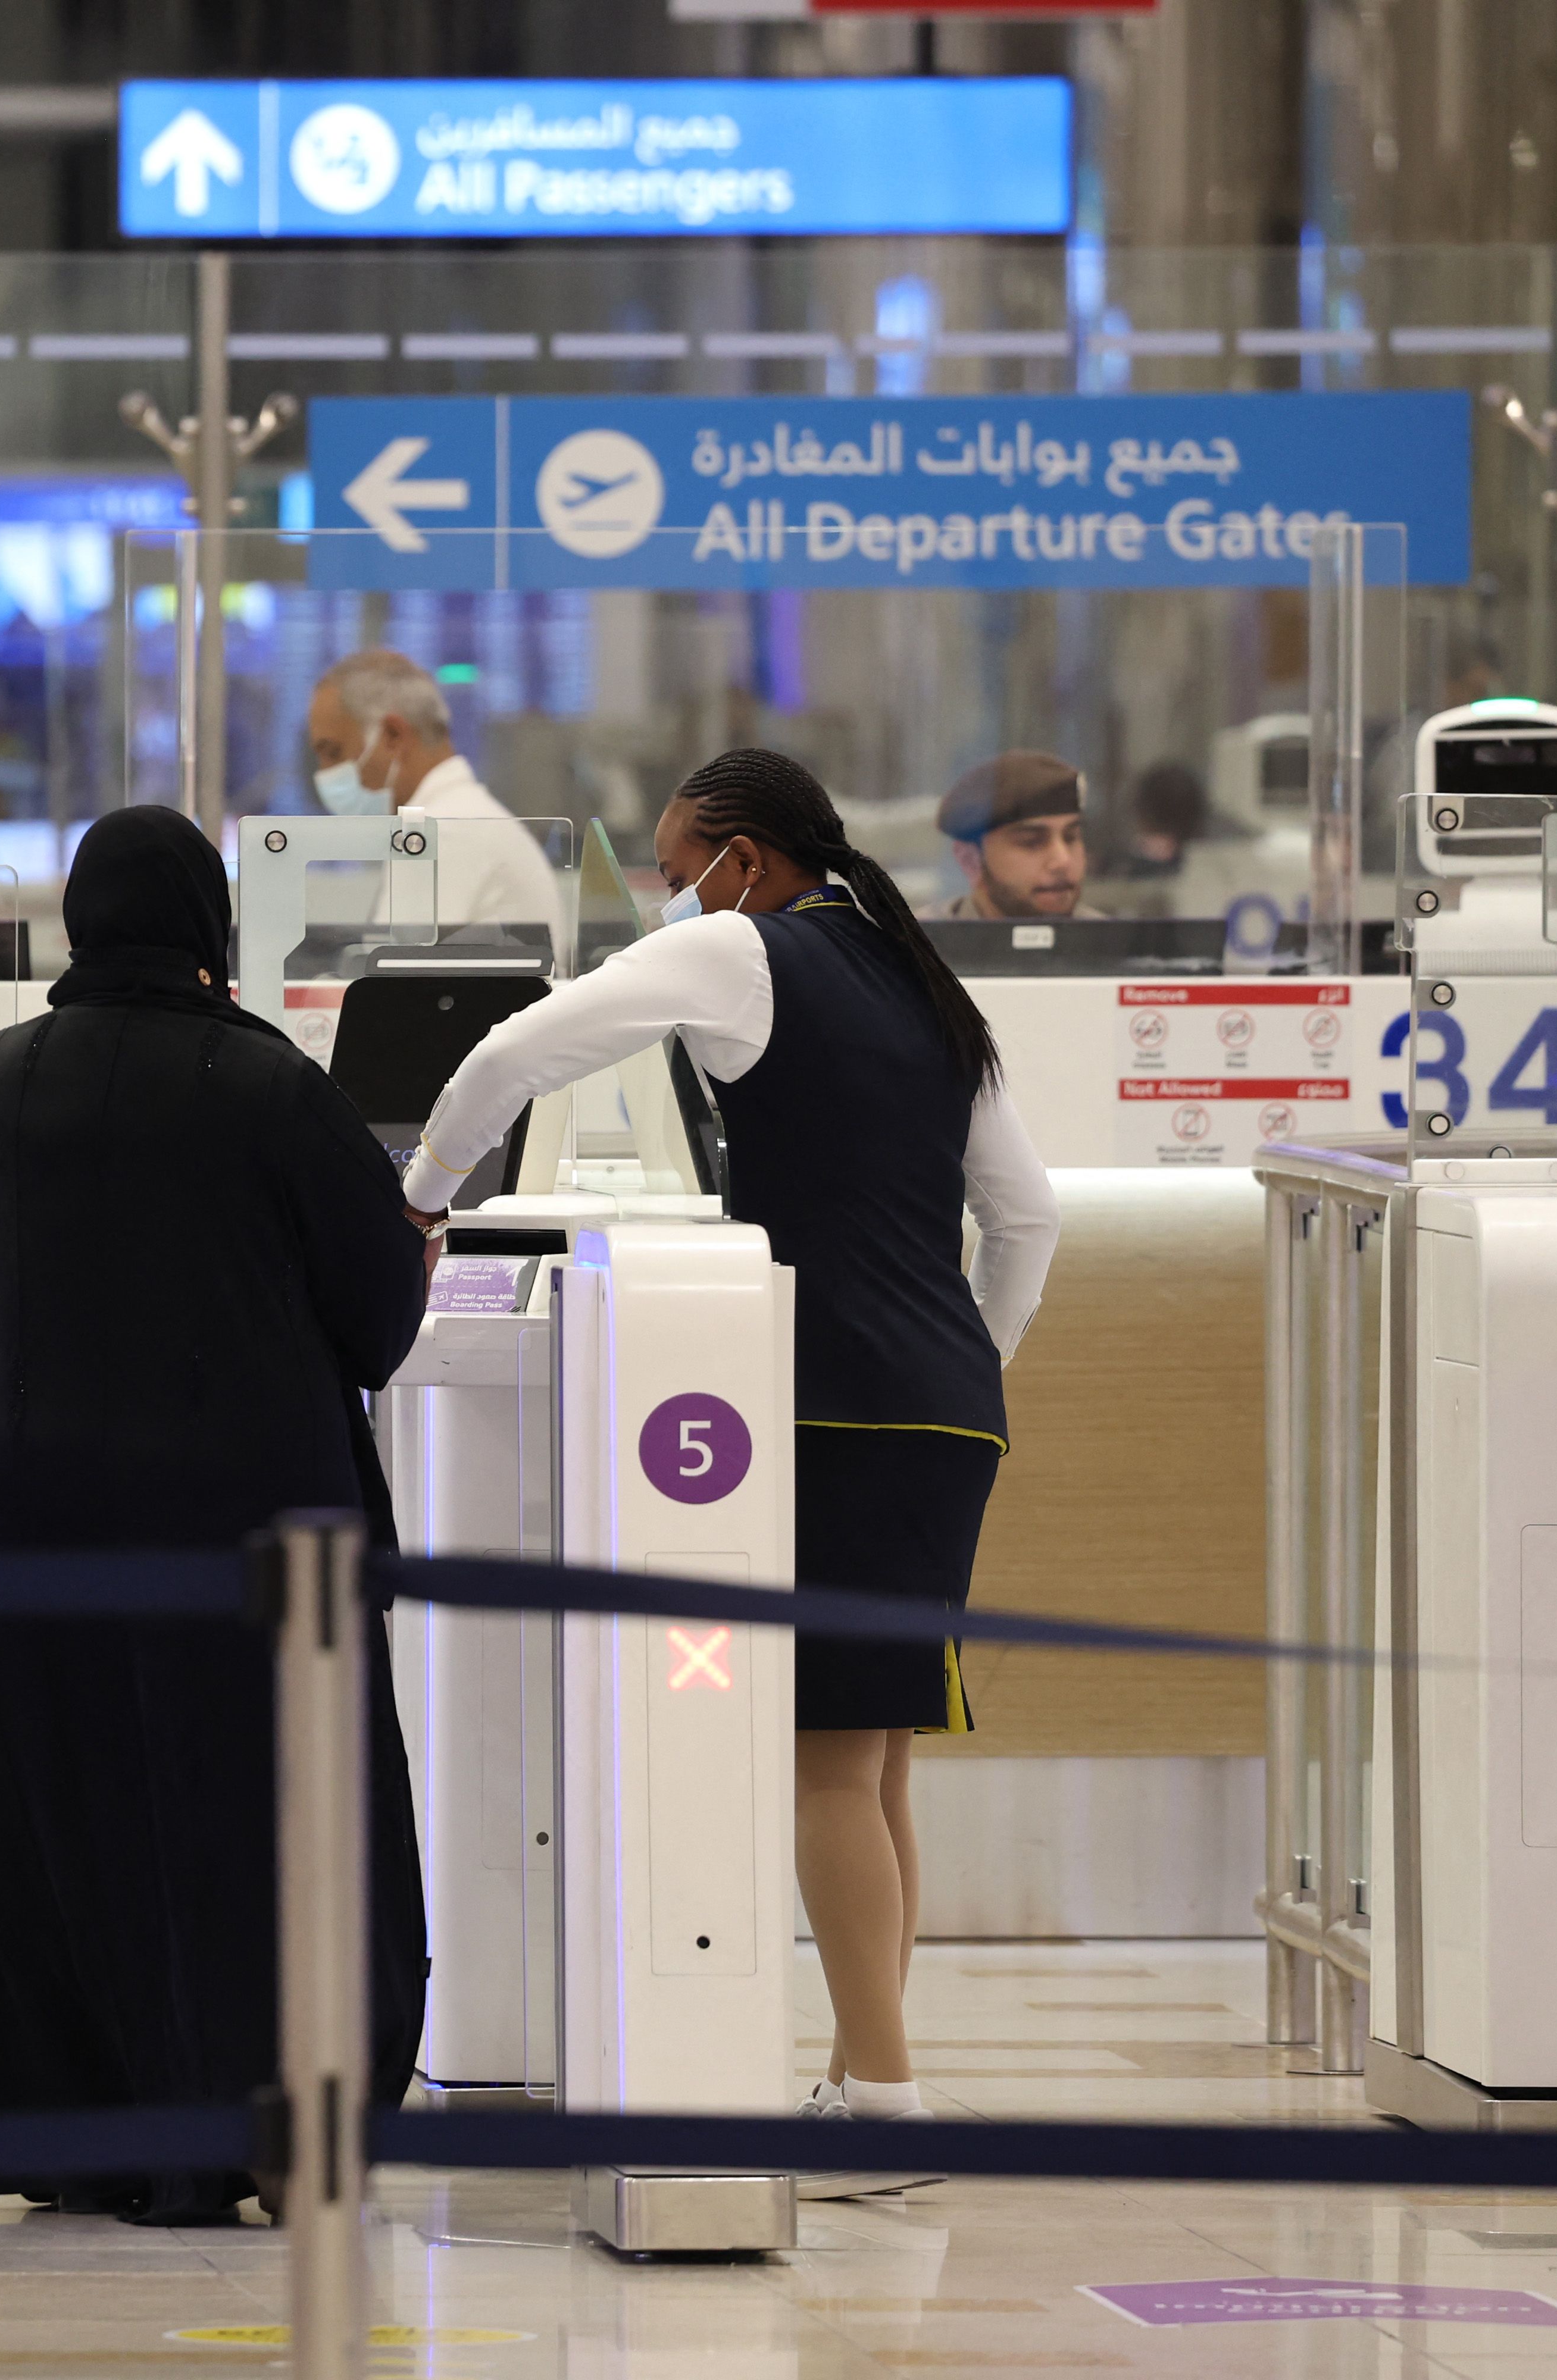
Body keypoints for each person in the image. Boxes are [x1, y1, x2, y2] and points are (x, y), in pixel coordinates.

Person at [393, 748, 1060, 2192]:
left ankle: (881, 2102)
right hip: (947, 1410)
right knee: (876, 1759)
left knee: (825, 1754)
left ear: (742, 858)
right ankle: (859, 2072)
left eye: (669, 855)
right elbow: (1030, 1218)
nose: (660, 884)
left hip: (827, 1403)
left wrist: (422, 1198)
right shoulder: (919, 980)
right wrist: (970, 1367)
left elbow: (514, 1054)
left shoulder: (737, 949)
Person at [0, 803, 432, 2225]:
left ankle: (71, 2127)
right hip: (232, 1506)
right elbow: (376, 1313)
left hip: (14, 1495)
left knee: (47, 1797)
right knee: (243, 1807)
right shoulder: (268, 1085)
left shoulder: (0, 1075)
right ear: (209, 922)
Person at [305, 648, 562, 940]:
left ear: (392, 736)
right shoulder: (458, 817)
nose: (324, 773)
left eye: (333, 752)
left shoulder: (437, 833)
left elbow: (395, 980)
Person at [936, 749, 1103, 921]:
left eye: (1070, 837)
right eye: (1032, 843)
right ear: (970, 860)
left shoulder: (1117, 944)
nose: (1063, 861)